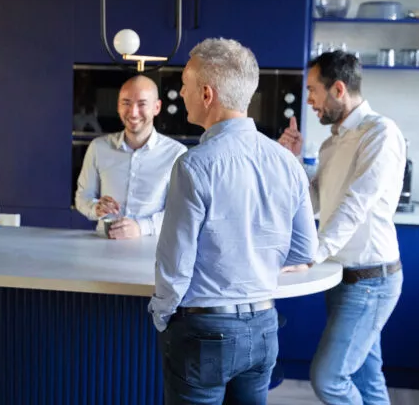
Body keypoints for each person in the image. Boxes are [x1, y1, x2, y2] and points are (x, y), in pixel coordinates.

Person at [149, 38, 319, 404]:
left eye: (185, 84)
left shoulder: (195, 165)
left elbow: (175, 264)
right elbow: (305, 248)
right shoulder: (287, 161)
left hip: (204, 330)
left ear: (206, 94)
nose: (180, 92)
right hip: (264, 327)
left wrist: (162, 317)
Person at [278, 51, 405, 405]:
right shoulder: (332, 142)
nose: (309, 100)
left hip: (371, 282)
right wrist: (294, 163)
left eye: (312, 91)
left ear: (338, 88)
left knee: (329, 378)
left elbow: (356, 204)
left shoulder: (380, 133)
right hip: (344, 278)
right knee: (367, 378)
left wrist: (312, 254)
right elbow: (314, 201)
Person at [74, 75, 187, 239]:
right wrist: (95, 207)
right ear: (118, 106)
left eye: (142, 104)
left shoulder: (176, 154)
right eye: (126, 103)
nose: (133, 113)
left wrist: (141, 227)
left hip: (152, 251)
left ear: (157, 107)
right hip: (103, 248)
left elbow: (181, 211)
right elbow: (82, 198)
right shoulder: (98, 148)